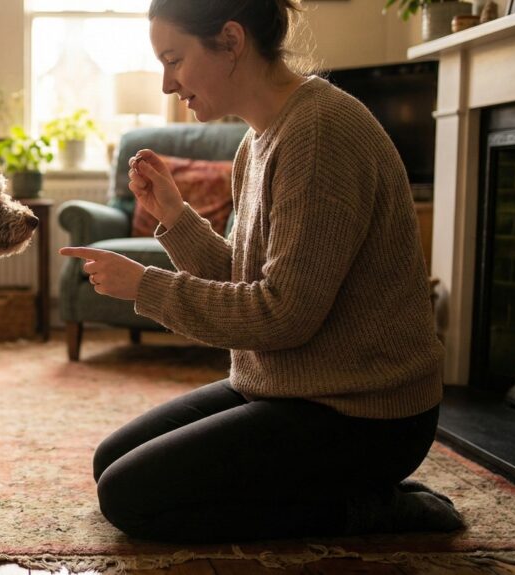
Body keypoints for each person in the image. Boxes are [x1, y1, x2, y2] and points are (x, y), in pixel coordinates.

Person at [59, 0, 465, 543]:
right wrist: (176, 217)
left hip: (364, 414)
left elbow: (282, 315)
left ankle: (366, 508)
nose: (166, 84)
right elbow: (244, 277)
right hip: (289, 387)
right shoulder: (258, 142)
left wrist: (146, 286)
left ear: (230, 41)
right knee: (111, 462)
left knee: (130, 498)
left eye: (174, 59)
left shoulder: (321, 135)